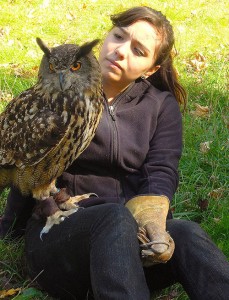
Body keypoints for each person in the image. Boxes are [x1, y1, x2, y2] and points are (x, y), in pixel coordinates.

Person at [0, 6, 229, 300]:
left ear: (151, 69)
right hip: (62, 242)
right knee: (114, 218)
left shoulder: (159, 107)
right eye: (119, 37)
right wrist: (11, 229)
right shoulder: (52, 105)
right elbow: (24, 166)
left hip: (130, 246)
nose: (121, 51)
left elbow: (160, 172)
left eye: (138, 50)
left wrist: (155, 225)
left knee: (188, 233)